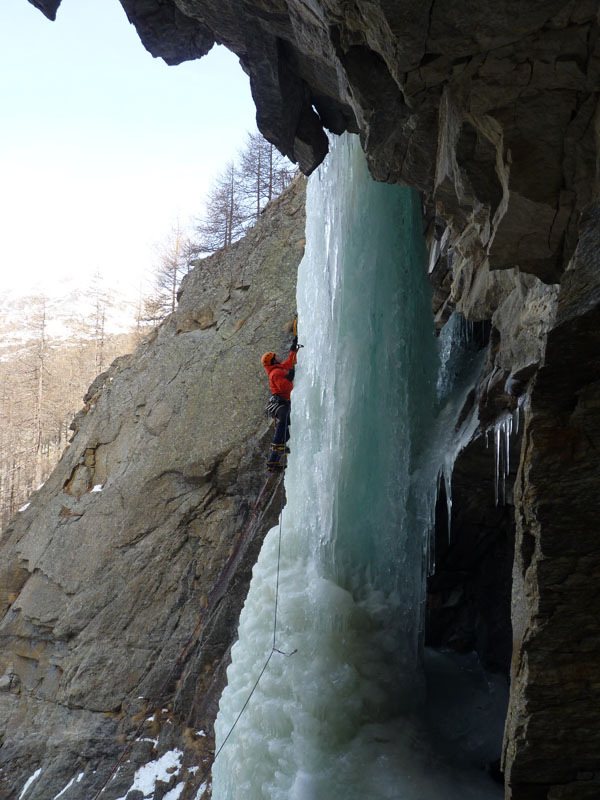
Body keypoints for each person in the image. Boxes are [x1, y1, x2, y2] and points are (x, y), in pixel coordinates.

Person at [262, 335, 299, 471]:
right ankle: (276, 446)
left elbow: (289, 363)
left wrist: (293, 349)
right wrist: (292, 376)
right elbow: (284, 387)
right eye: (275, 356)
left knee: (285, 426)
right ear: (272, 361)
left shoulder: (277, 369)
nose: (278, 356)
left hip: (282, 403)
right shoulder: (275, 373)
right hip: (280, 404)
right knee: (284, 419)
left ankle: (273, 463)